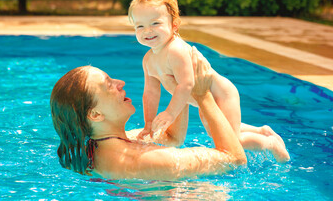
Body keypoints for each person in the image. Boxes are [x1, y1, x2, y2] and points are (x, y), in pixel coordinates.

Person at [128, 0, 289, 163]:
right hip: (203, 100)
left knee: (232, 141)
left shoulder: (176, 50)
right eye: (140, 26)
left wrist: (170, 114)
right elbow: (150, 93)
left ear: (174, 25)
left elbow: (187, 85)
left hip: (221, 95)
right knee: (219, 130)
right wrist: (149, 124)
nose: (147, 31)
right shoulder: (148, 60)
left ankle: (270, 142)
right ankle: (261, 131)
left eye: (155, 23)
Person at [51, 48, 247, 179]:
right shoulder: (147, 160)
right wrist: (203, 94)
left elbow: (172, 137)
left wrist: (180, 87)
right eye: (109, 84)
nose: (120, 83)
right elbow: (235, 159)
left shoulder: (94, 149)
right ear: (95, 114)